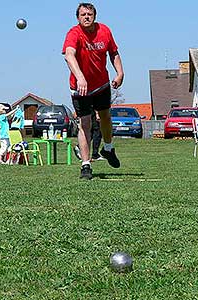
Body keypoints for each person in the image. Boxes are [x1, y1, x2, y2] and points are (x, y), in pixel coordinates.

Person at [63, 3, 124, 179]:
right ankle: (86, 165)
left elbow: (114, 53)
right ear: (78, 18)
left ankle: (108, 149)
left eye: (90, 14)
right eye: (83, 14)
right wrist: (80, 77)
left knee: (105, 117)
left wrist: (120, 73)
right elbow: (69, 55)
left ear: (95, 16)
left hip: (101, 85)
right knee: (85, 124)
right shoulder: (73, 33)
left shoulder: (104, 31)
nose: (87, 17)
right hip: (80, 88)